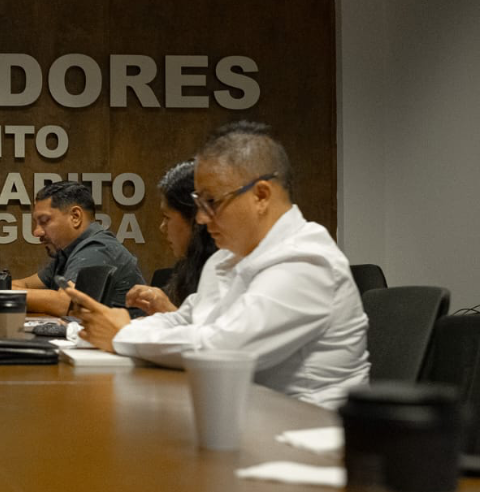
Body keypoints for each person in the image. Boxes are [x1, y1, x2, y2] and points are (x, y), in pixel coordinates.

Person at [64, 121, 369, 409]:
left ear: (261, 195)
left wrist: (123, 333)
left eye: (212, 202)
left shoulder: (307, 261)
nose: (201, 218)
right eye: (199, 204)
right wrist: (108, 324)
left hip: (306, 440)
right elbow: (186, 321)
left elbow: (225, 350)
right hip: (246, 418)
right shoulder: (228, 257)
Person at [0, 181, 143, 315]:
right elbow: (27, 286)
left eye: (45, 221)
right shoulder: (68, 252)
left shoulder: (97, 248)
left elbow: (65, 303)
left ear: (75, 216)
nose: (36, 232)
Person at [125, 160, 219, 315]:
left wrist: (166, 310)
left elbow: (211, 337)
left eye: (167, 217)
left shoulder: (227, 267)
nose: (162, 227)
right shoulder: (193, 266)